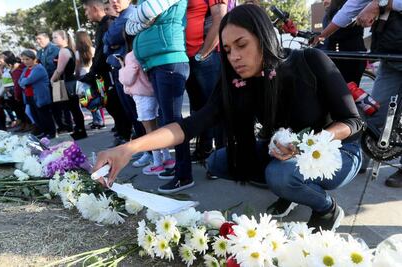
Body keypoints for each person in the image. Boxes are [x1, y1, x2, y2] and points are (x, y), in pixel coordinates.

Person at [96, 5, 363, 231]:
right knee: (220, 161)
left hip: (337, 151)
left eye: (242, 45)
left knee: (279, 174)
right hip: (284, 154)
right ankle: (290, 187)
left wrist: (311, 142)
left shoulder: (310, 60)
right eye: (227, 49)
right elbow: (190, 125)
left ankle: (326, 208)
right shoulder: (239, 83)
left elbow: (353, 121)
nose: (234, 56)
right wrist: (128, 148)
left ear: (264, 38)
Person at [314, 0, 402, 188]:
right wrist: (321, 36)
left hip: (390, 49)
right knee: (374, 113)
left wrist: (383, 3)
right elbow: (351, 7)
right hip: (391, 54)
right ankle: (359, 158)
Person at [124, 0, 193, 193]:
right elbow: (129, 26)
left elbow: (147, 11)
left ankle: (184, 174)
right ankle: (178, 168)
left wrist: (142, 20)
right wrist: (142, 20)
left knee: (173, 121)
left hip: (168, 59)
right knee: (167, 119)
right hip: (158, 61)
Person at [81, 0, 132, 147]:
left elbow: (107, 52)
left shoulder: (109, 23)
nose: (86, 14)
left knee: (117, 104)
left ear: (94, 8)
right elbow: (102, 51)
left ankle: (125, 136)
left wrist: (92, 72)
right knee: (111, 104)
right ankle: (122, 133)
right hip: (104, 72)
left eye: (86, 10)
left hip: (112, 71)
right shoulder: (102, 25)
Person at [185, 0, 228, 163]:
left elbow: (220, 18)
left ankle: (222, 157)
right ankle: (205, 150)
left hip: (206, 55)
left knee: (215, 106)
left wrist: (202, 54)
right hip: (188, 56)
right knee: (198, 108)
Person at [119, 51, 175, 174]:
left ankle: (157, 163)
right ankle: (167, 158)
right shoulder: (148, 51)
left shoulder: (131, 55)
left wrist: (121, 67)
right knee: (158, 127)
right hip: (153, 92)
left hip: (141, 95)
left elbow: (127, 79)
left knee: (149, 130)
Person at [104, 0, 146, 146]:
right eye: (111, 0)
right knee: (132, 113)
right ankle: (145, 149)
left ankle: (152, 151)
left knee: (141, 114)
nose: (114, 2)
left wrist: (111, 42)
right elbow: (107, 41)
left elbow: (112, 38)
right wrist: (110, 43)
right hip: (120, 69)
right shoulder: (118, 18)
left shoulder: (131, 14)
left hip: (132, 69)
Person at [318, 0, 366, 86]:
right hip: (339, 56)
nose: (324, 1)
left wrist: (319, 39)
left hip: (349, 57)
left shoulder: (348, 10)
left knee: (347, 91)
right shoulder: (329, 14)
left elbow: (333, 35)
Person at [50, 30, 88, 140]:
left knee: (74, 108)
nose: (53, 39)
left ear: (64, 38)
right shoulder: (69, 50)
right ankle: (79, 129)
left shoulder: (64, 51)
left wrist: (52, 80)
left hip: (67, 83)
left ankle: (80, 130)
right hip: (70, 82)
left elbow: (59, 70)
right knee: (74, 108)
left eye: (55, 37)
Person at [36, 32, 73, 134]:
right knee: (54, 106)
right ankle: (61, 125)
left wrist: (54, 77)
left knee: (62, 104)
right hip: (46, 82)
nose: (38, 41)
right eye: (37, 40)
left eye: (40, 39)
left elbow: (58, 66)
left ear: (47, 38)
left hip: (57, 79)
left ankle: (68, 125)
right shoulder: (39, 52)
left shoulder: (55, 49)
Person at [18, 50, 56, 138]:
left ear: (34, 59)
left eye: (27, 59)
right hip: (29, 96)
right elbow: (20, 82)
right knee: (36, 116)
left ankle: (51, 133)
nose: (25, 61)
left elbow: (27, 80)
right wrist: (23, 82)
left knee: (45, 116)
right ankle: (44, 132)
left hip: (40, 96)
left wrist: (24, 82)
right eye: (23, 59)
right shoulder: (25, 69)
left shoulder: (38, 68)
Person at [75, 30, 105, 129]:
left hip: (84, 78)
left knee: (87, 100)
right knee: (99, 98)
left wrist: (77, 77)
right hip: (95, 76)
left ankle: (98, 121)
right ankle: (99, 120)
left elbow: (77, 68)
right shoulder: (93, 49)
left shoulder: (78, 53)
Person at [1, 51, 33, 132]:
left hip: (22, 90)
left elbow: (18, 82)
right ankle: (24, 123)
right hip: (15, 90)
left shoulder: (18, 66)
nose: (1, 60)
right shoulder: (9, 68)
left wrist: (17, 93)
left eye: (3, 58)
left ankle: (30, 124)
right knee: (18, 109)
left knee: (24, 108)